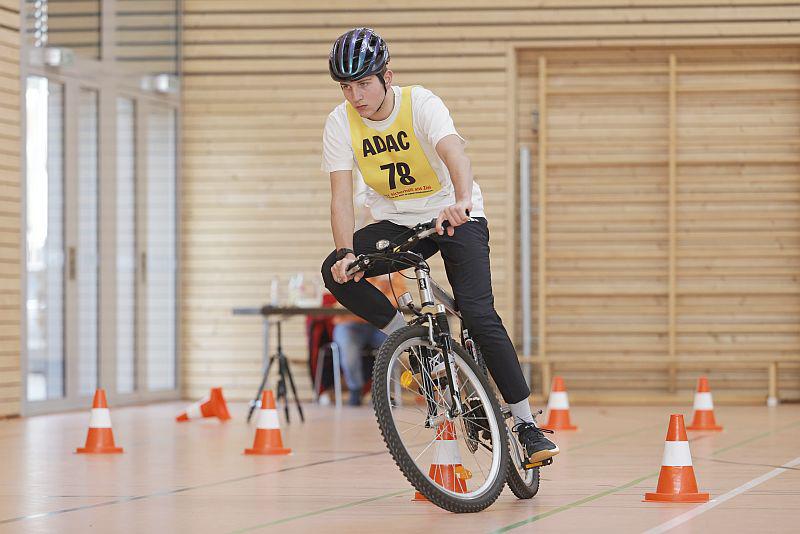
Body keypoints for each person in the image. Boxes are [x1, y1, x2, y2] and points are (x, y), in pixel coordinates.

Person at [319, 28, 558, 464]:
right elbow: (340, 195)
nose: (356, 96)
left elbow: (454, 155)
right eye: (346, 87)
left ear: (387, 76)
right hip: (394, 221)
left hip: (453, 215)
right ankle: (410, 345)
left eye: (364, 83)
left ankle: (525, 424)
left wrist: (462, 201)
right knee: (335, 271)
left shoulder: (420, 103)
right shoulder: (340, 122)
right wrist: (344, 253)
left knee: (480, 315)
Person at [332, 272, 406, 406]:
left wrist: (366, 302)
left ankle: (385, 391)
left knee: (395, 344)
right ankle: (355, 389)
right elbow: (341, 301)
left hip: (380, 324)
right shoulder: (348, 265)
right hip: (350, 323)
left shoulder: (392, 270)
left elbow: (398, 296)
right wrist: (377, 302)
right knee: (348, 347)